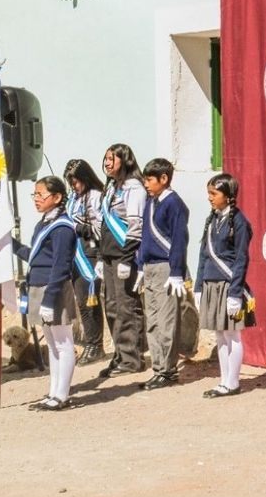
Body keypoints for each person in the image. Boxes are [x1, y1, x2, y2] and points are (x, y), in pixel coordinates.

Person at [13, 176, 79, 410]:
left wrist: (50, 299)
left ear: (57, 197)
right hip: (38, 286)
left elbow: (61, 265)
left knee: (63, 342)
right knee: (51, 344)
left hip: (54, 288)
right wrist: (12, 245)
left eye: (41, 194)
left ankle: (62, 396)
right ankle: (53, 392)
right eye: (35, 194)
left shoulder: (62, 228)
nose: (36, 199)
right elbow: (37, 257)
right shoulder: (43, 224)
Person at [194, 173, 254, 397]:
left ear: (228, 196)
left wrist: (235, 293)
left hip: (229, 286)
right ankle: (223, 380)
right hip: (211, 283)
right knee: (220, 334)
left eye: (214, 193)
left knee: (232, 335)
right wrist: (199, 286)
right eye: (208, 193)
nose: (209, 197)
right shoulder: (212, 219)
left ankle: (233, 382)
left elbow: (241, 259)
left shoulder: (239, 222)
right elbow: (203, 255)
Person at [137, 158, 189, 390]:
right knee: (153, 320)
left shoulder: (174, 203)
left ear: (164, 179)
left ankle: (168, 370)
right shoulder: (151, 202)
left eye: (149, 179)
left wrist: (177, 271)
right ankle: (158, 368)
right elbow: (145, 236)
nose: (146, 184)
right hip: (149, 267)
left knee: (166, 321)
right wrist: (140, 266)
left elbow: (179, 240)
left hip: (166, 268)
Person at [97, 144, 147, 379]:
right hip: (109, 254)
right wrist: (100, 256)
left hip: (124, 255)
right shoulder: (111, 187)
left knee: (126, 306)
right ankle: (120, 353)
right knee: (111, 307)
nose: (107, 163)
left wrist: (127, 259)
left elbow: (136, 225)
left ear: (125, 161)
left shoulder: (134, 188)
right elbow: (103, 223)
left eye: (112, 159)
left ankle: (131, 359)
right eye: (106, 159)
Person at [63, 158, 107, 366]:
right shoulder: (73, 198)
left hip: (89, 253)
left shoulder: (96, 196)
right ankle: (90, 342)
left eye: (76, 181)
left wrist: (78, 227)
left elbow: (101, 229)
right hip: (74, 253)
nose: (74, 186)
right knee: (81, 302)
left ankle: (95, 345)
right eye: (70, 182)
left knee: (89, 300)